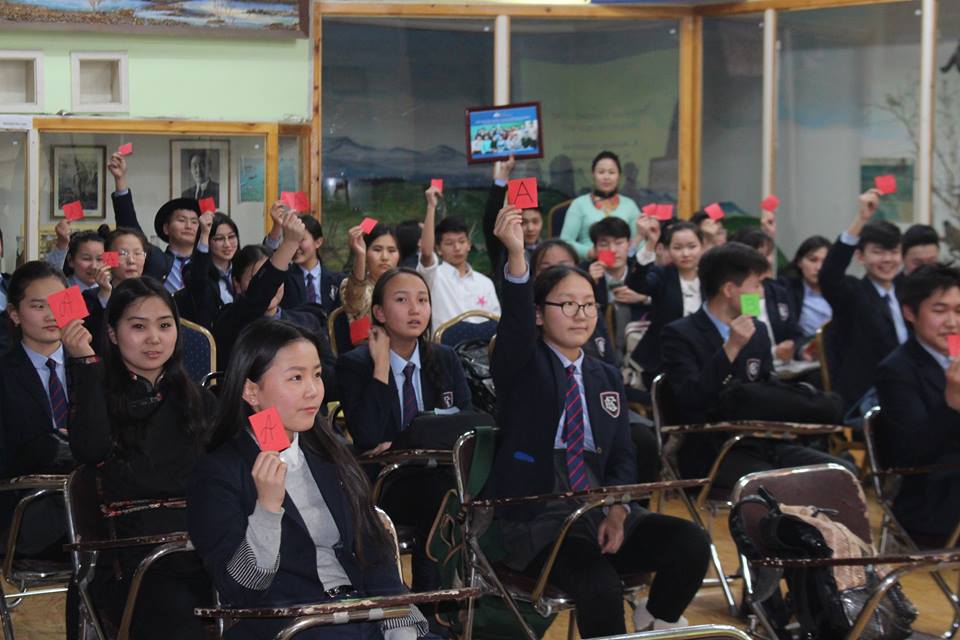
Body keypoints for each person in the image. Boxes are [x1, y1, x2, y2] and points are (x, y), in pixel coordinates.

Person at [488, 204, 709, 637]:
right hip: (539, 513)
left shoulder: (604, 375)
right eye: (567, 304)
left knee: (691, 543)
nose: (580, 314)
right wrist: (516, 255)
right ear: (539, 314)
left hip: (598, 502)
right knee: (599, 585)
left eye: (588, 304)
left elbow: (623, 452)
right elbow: (514, 321)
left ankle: (654, 618)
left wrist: (619, 510)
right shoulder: (521, 363)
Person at [188, 319, 428, 639]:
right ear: (251, 390)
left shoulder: (329, 453)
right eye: (296, 378)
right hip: (293, 626)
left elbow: (373, 549)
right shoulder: (218, 473)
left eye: (316, 374)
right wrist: (267, 511)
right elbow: (241, 591)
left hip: (360, 616)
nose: (313, 390)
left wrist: (399, 623)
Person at [65, 277, 215, 639]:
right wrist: (85, 363)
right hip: (135, 561)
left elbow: (251, 451)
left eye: (165, 326)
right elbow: (91, 450)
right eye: (138, 327)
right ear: (113, 334)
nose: (154, 339)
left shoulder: (200, 399)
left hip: (207, 550)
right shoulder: (98, 393)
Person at [659, 243, 853, 486]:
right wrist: (731, 347)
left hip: (764, 441)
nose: (761, 294)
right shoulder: (680, 334)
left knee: (842, 473)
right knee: (776, 484)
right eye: (756, 285)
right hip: (712, 450)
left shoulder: (757, 330)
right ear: (729, 289)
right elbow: (691, 400)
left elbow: (766, 388)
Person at [335, 268, 471, 595]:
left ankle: (451, 594)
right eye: (402, 300)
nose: (415, 309)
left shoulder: (444, 358)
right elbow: (368, 437)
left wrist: (404, 441)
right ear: (379, 313)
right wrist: (381, 368)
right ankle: (431, 596)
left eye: (422, 300)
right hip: (387, 480)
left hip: (443, 472)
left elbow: (467, 423)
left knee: (451, 490)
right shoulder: (356, 364)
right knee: (442, 494)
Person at [876, 263, 960, 546]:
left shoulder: (955, 353)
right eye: (940, 310)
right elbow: (912, 453)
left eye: (959, 311)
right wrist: (951, 404)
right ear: (910, 313)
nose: (952, 322)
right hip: (931, 497)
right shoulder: (897, 370)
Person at [0, 262, 76, 557]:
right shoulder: (5, 373)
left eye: (59, 303)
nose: (51, 314)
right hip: (28, 505)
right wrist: (53, 448)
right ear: (14, 314)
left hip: (95, 500)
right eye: (38, 306)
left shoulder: (92, 365)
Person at [213, 214, 335, 390]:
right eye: (254, 279)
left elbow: (330, 378)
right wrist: (290, 243)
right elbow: (259, 294)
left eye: (278, 280)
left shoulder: (307, 321)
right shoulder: (230, 320)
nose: (273, 288)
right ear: (237, 284)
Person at [819, 190, 908, 411]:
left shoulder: (910, 291)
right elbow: (829, 275)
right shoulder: (852, 293)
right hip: (869, 397)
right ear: (860, 257)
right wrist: (861, 219)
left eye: (894, 252)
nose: (887, 259)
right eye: (878, 252)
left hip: (912, 389)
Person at [626, 219, 704, 385]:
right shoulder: (662, 275)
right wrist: (651, 243)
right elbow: (636, 284)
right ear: (668, 250)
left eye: (692, 246)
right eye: (677, 248)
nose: (685, 253)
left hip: (702, 355)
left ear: (702, 247)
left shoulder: (711, 277)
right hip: (663, 358)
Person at [108, 153, 199, 293]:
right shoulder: (155, 259)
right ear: (166, 228)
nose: (189, 226)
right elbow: (129, 226)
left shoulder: (206, 263)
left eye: (194, 222)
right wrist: (120, 179)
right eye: (181, 220)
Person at [417, 186, 500, 329]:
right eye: (449, 243)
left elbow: (497, 322)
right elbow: (426, 253)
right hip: (443, 342)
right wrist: (431, 206)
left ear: (469, 244)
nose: (457, 248)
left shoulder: (485, 283)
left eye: (462, 241)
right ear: (438, 249)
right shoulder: (434, 277)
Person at [729, 228, 803, 364]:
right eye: (761, 255)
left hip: (787, 366)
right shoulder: (740, 293)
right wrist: (775, 353)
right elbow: (750, 340)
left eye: (769, 254)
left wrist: (799, 349)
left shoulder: (777, 291)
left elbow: (795, 333)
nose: (768, 261)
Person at [559, 151, 642, 260]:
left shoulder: (630, 205)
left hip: (622, 264)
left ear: (619, 176)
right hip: (589, 264)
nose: (606, 177)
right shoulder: (579, 204)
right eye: (601, 172)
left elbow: (638, 242)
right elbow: (565, 242)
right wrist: (590, 253)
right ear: (593, 175)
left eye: (611, 172)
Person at [584, 217, 648, 357]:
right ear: (595, 249)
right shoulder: (584, 273)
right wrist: (588, 283)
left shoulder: (642, 269)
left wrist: (642, 298)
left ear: (629, 245)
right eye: (604, 244)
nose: (612, 250)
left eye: (619, 243)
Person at [81, 227, 148, 353]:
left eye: (138, 253)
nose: (131, 260)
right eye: (122, 253)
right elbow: (95, 342)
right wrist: (105, 295)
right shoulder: (90, 297)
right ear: (108, 258)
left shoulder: (155, 295)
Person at [482, 155, 543, 285]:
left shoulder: (548, 249)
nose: (530, 228)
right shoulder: (503, 250)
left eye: (535, 221)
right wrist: (501, 178)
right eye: (523, 222)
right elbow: (491, 219)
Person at [176, 211, 240, 330]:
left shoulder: (242, 268)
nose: (227, 244)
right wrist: (205, 233)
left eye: (231, 237)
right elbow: (199, 279)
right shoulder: (194, 271)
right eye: (219, 239)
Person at [279, 214, 344, 315]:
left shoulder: (337, 280)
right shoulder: (284, 278)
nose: (295, 246)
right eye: (292, 240)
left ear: (318, 242)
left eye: (301, 240)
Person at [340, 222, 400, 326]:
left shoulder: (406, 286)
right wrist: (360, 255)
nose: (385, 257)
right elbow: (355, 302)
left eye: (391, 251)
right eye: (377, 250)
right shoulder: (347, 285)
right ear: (366, 253)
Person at [779, 235, 832, 342]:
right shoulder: (785, 290)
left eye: (825, 262)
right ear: (799, 262)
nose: (819, 267)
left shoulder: (842, 291)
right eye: (813, 260)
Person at [44, 221, 105, 291]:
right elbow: (50, 274)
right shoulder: (63, 288)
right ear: (71, 260)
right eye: (86, 259)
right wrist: (62, 243)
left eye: (99, 259)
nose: (94, 266)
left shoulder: (108, 289)